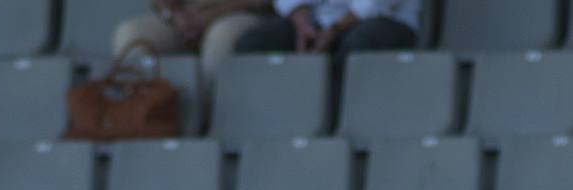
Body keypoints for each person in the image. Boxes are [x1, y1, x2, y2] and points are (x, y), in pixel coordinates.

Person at [112, 0, 273, 88]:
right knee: (130, 33)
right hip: (186, 13)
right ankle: (138, 113)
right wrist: (175, 16)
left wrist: (211, 15)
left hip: (240, 12)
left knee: (221, 35)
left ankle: (209, 119)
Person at [235, 0, 419, 60]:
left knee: (358, 44)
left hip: (386, 21)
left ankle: (342, 124)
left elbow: (373, 5)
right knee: (256, 42)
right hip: (317, 22)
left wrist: (334, 29)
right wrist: (302, 25)